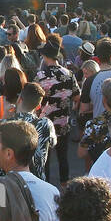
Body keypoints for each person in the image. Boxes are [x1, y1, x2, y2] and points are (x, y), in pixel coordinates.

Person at [35, 36, 79, 184]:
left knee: (45, 157)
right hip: (63, 120)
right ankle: (64, 184)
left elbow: (35, 99)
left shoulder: (41, 76)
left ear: (44, 56)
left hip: (45, 122)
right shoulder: (69, 74)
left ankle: (46, 185)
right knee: (63, 156)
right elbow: (77, 97)